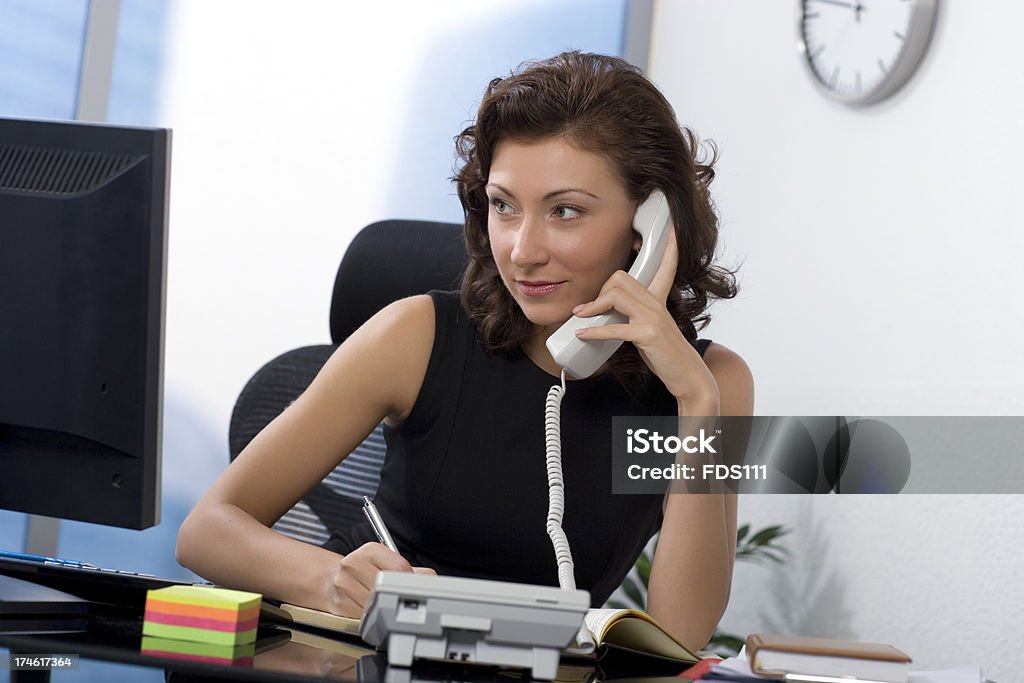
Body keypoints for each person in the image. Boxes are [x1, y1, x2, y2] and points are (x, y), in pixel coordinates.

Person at [176, 51, 753, 651]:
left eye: (565, 211)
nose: (522, 250)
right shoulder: (415, 335)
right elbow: (205, 532)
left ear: (648, 228)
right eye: (504, 205)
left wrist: (694, 401)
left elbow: (681, 634)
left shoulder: (712, 384)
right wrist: (328, 578)